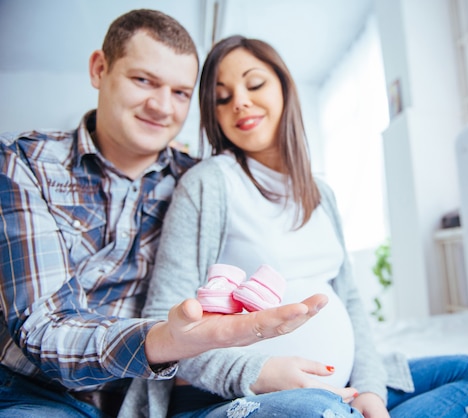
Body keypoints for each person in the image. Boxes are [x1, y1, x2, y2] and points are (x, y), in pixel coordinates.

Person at [120, 35, 468, 418]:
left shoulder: (322, 194)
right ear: (214, 114)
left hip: (339, 385)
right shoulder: (209, 184)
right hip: (234, 395)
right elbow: (163, 326)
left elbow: (350, 301)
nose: (240, 102)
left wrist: (371, 392)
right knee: (313, 410)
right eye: (222, 97)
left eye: (254, 84)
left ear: (284, 88)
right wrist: (259, 372)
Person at [0, 11, 328, 418]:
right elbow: (43, 328)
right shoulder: (25, 163)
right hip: (36, 390)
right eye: (144, 81)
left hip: (149, 398)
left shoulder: (197, 181)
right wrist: (164, 340)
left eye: (180, 93)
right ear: (99, 69)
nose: (160, 106)